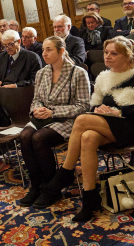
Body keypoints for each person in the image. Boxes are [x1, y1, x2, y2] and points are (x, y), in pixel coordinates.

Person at [35, 37, 134, 221]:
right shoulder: (104, 76)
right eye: (106, 53)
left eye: (114, 53)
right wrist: (101, 110)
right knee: (87, 137)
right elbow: (93, 106)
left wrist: (118, 111)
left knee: (81, 121)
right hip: (111, 125)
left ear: (128, 56)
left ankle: (65, 172)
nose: (108, 57)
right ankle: (89, 196)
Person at [17, 36, 90, 207]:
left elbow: (84, 106)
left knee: (39, 138)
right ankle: (36, 186)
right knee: (25, 135)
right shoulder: (42, 73)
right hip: (43, 116)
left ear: (62, 51)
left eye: (49, 49)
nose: (44, 53)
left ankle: (52, 189)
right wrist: (36, 109)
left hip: (67, 119)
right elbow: (36, 99)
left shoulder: (78, 73)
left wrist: (53, 112)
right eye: (43, 50)